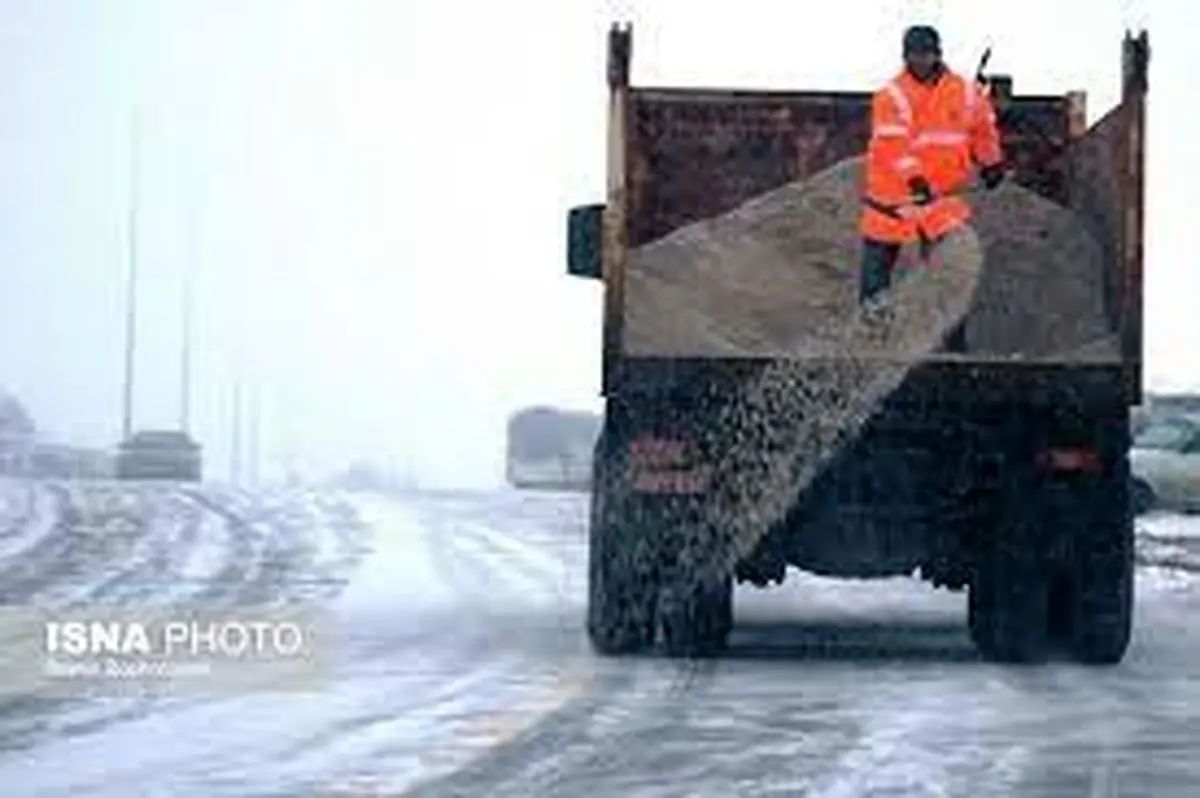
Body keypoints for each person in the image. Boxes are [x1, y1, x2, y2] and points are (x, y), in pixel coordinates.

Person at [859, 25, 1007, 350]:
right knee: (874, 283)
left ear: (938, 54)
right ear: (905, 56)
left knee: (949, 276)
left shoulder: (966, 93)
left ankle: (954, 350)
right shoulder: (890, 96)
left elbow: (983, 129)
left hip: (941, 203)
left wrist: (991, 162)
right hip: (891, 201)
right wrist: (914, 178)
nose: (920, 61)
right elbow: (892, 145)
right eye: (914, 55)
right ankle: (873, 346)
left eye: (926, 54)